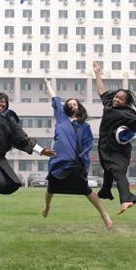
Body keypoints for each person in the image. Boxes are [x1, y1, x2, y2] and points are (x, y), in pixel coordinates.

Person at [0, 78, 55, 212]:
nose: (0, 104)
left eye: (3, 102)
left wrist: (40, 151)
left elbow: (22, 138)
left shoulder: (9, 120)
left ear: (6, 104)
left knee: (14, 184)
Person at [41, 77, 112, 230]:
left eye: (75, 104)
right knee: (51, 187)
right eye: (69, 104)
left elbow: (87, 144)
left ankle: (103, 214)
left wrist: (83, 160)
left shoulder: (84, 126)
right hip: (59, 159)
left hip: (76, 161)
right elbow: (54, 99)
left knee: (86, 190)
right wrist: (48, 85)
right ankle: (47, 206)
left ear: (79, 108)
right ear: (65, 107)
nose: (72, 105)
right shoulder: (61, 118)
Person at [93, 61, 136, 214]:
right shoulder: (109, 105)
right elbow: (101, 92)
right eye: (116, 97)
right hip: (105, 146)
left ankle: (126, 199)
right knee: (107, 169)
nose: (116, 99)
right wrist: (97, 72)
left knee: (117, 172)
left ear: (127, 102)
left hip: (119, 150)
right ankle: (105, 191)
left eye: (121, 99)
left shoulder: (128, 114)